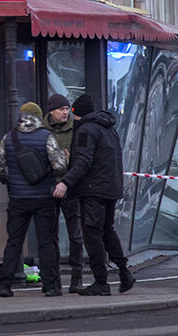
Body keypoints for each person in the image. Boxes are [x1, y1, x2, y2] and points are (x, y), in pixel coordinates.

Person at [53, 94, 135, 296]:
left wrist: (66, 181)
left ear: (77, 113)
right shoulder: (108, 128)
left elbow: (84, 161)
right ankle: (124, 272)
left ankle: (101, 281)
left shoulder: (85, 131)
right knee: (107, 231)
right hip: (110, 188)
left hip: (92, 189)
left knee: (92, 235)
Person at [0, 101, 67, 297]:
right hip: (43, 198)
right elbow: (59, 166)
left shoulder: (9, 138)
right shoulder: (46, 137)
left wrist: (11, 182)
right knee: (46, 242)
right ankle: (50, 286)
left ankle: (5, 286)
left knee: (14, 241)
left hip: (17, 199)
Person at [44, 93, 84, 293]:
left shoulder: (75, 130)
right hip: (49, 188)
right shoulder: (43, 132)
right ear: (51, 111)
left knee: (75, 235)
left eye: (67, 109)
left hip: (71, 188)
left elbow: (82, 159)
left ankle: (77, 279)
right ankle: (54, 281)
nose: (65, 113)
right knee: (51, 237)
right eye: (61, 109)